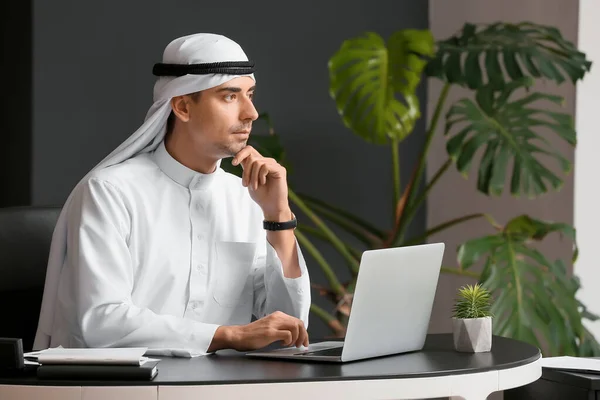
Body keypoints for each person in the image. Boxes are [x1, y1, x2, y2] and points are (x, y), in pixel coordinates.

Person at [32, 33, 311, 357]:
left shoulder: (246, 199)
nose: (251, 113)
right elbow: (102, 321)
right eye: (230, 97)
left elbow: (289, 329)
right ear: (182, 106)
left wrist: (277, 218)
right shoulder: (110, 193)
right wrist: (228, 335)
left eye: (250, 94)